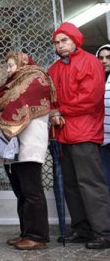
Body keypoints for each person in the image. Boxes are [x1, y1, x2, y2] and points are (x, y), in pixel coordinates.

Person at [47, 22, 110, 249]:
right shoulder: (54, 68)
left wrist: (59, 110)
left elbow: (90, 99)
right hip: (63, 134)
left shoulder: (90, 62)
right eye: (56, 42)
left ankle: (103, 232)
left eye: (64, 40)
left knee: (90, 184)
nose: (60, 45)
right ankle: (82, 229)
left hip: (85, 132)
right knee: (71, 185)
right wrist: (52, 113)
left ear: (75, 40)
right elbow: (50, 99)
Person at [0, 51, 53, 250]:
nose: (8, 70)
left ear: (23, 64)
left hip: (29, 145)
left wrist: (3, 100)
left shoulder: (36, 78)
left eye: (11, 66)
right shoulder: (14, 84)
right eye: (6, 66)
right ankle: (26, 232)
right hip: (14, 146)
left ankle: (37, 236)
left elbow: (10, 103)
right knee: (21, 192)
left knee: (32, 192)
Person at [97, 44, 110, 192]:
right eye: (101, 58)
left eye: (108, 57)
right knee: (104, 182)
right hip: (102, 140)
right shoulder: (95, 80)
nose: (104, 61)